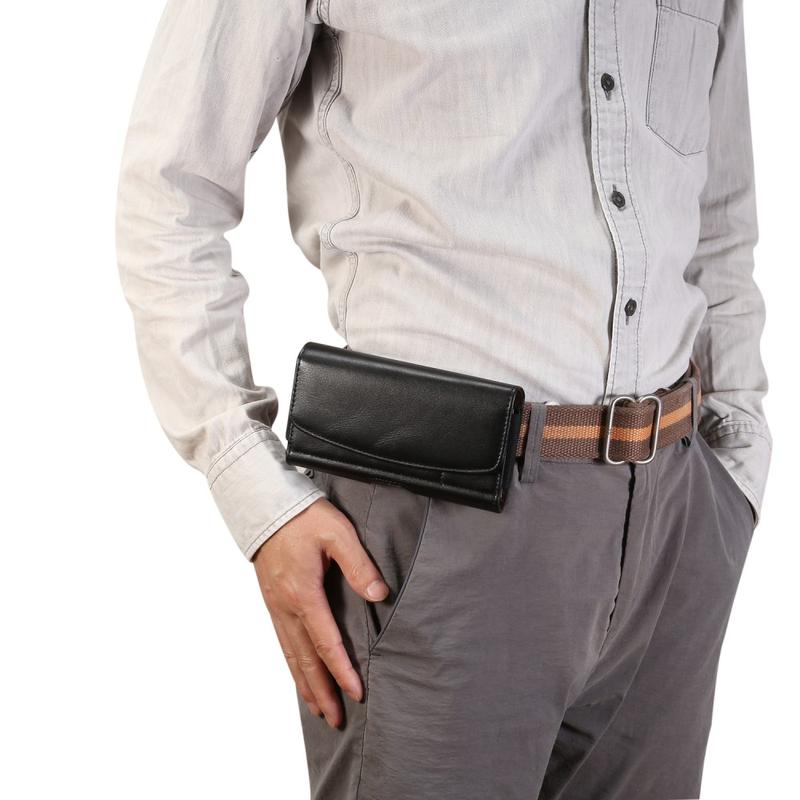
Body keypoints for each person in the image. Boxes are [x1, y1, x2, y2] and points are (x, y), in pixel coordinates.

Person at [116, 2, 771, 798]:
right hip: (436, 524)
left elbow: (719, 223)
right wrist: (257, 494)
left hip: (675, 523)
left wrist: (734, 462)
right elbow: (170, 196)